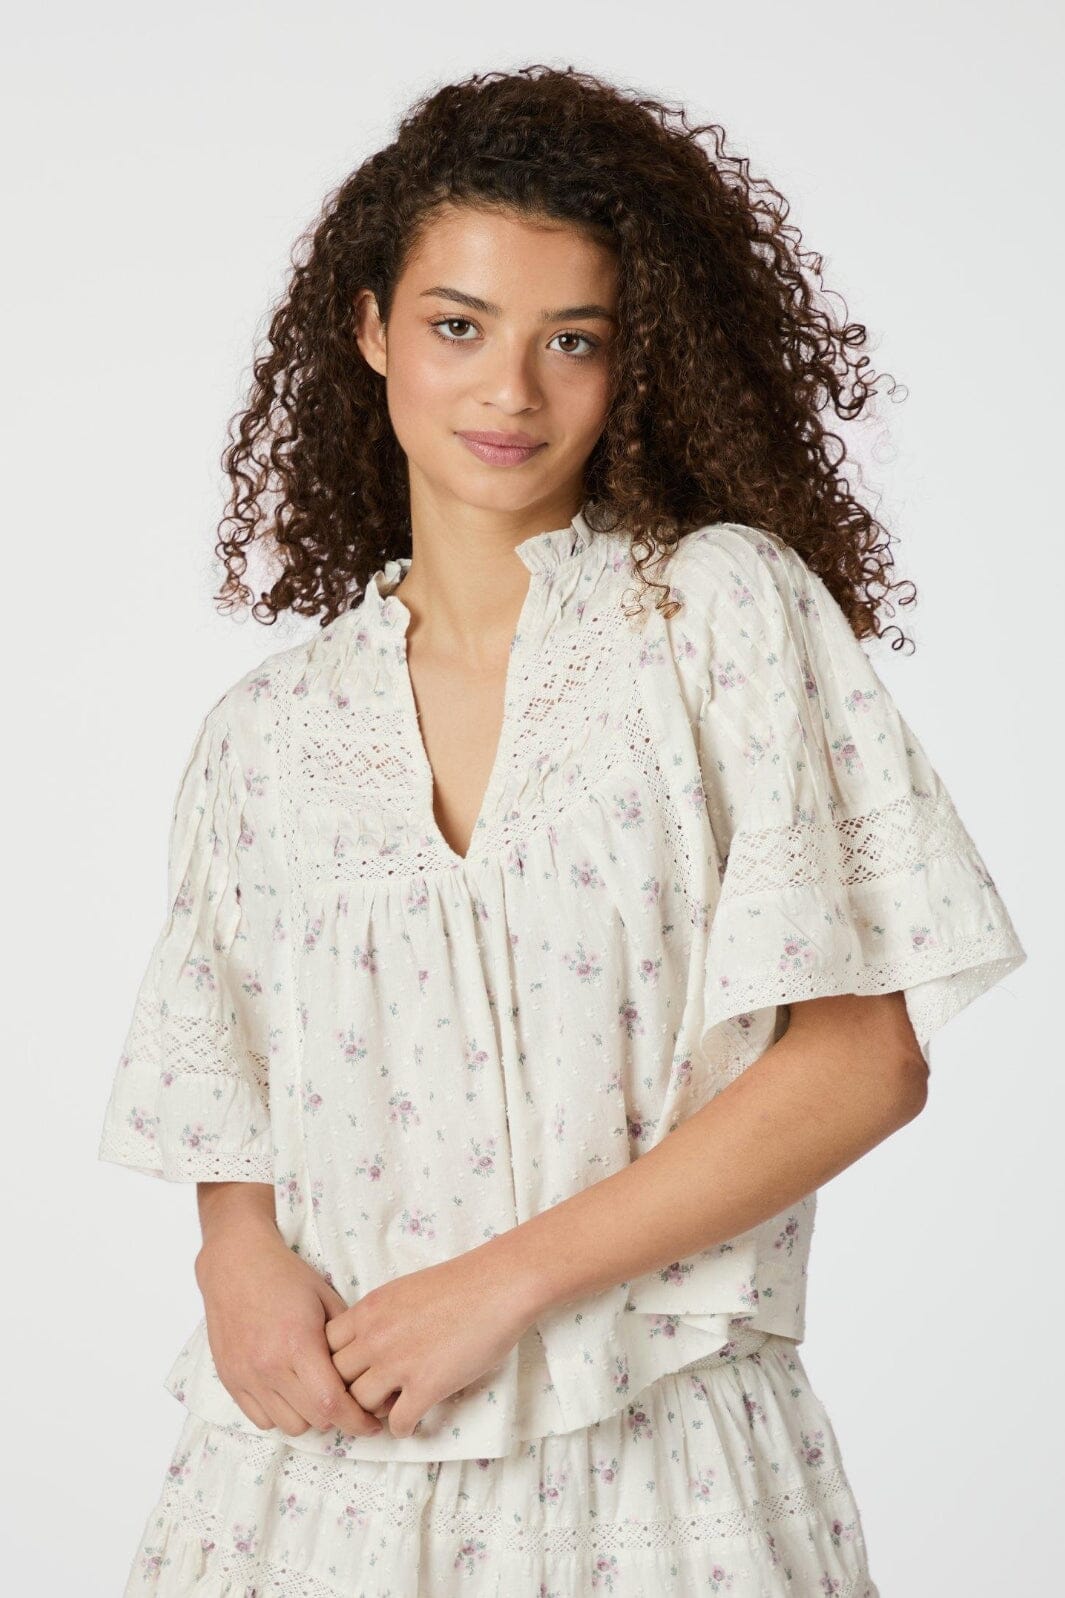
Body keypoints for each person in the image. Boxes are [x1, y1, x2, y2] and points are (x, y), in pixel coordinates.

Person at [97, 64, 1027, 1597]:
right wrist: (233, 1255)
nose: (510, 392)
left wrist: (501, 1284)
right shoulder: (265, 732)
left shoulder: (715, 617)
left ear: (632, 357)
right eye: (459, 326)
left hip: (653, 1456)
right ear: (370, 328)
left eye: (572, 339)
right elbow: (230, 1090)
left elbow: (864, 1057)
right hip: (315, 1482)